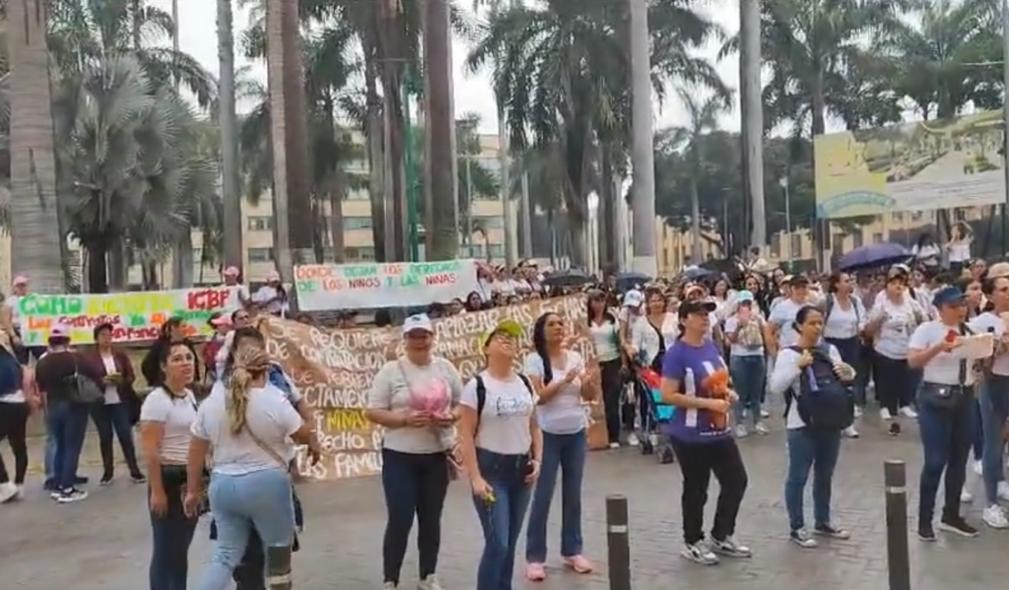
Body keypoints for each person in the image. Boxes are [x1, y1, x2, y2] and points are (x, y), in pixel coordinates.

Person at [186, 346, 319, 590]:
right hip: (267, 483)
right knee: (278, 554)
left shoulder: (213, 402)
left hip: (223, 484)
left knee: (224, 556)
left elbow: (196, 449)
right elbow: (301, 434)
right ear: (266, 371)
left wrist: (193, 491)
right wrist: (312, 426)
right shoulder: (273, 399)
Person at [366, 314, 463, 590]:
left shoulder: (445, 368)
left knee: (431, 517)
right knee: (400, 516)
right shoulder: (391, 371)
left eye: (424, 335)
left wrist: (450, 417)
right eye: (414, 336)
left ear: (433, 337)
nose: (420, 341)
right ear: (404, 339)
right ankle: (390, 578)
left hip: (435, 454)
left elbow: (461, 404)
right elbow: (373, 411)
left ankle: (428, 575)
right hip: (400, 455)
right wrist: (404, 420)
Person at [659, 300, 750, 565]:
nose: (705, 318)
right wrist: (708, 403)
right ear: (684, 320)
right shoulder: (677, 353)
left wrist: (726, 392)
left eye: (707, 314)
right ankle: (692, 540)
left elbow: (719, 380)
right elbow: (668, 394)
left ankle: (721, 534)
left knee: (736, 480)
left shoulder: (711, 346)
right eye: (698, 315)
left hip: (718, 429)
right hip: (690, 433)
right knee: (697, 488)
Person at [457, 319, 542, 590]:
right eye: (499, 337)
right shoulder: (477, 386)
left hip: (521, 468)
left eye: (512, 338)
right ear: (486, 348)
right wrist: (476, 478)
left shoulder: (525, 383)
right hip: (492, 469)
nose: (507, 341)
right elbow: (466, 435)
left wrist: (537, 459)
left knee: (510, 543)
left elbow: (535, 426)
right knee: (498, 542)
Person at [769, 306, 854, 548]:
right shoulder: (789, 354)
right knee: (798, 476)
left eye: (820, 323)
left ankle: (823, 521)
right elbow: (776, 386)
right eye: (812, 323)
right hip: (801, 423)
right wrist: (798, 365)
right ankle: (797, 527)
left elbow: (844, 379)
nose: (817, 327)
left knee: (825, 474)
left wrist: (848, 373)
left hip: (830, 420)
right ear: (799, 326)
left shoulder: (830, 350)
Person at [524, 312, 599, 581]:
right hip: (548, 435)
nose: (558, 327)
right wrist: (565, 380)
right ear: (541, 331)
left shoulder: (575, 358)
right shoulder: (534, 360)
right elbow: (540, 398)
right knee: (543, 496)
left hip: (575, 432)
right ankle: (535, 557)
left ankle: (572, 550)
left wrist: (588, 383)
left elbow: (588, 396)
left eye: (560, 323)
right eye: (551, 324)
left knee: (573, 493)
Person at [907, 286, 980, 540]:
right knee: (935, 461)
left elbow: (978, 362)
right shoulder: (927, 330)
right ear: (940, 309)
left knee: (959, 460)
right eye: (953, 306)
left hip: (965, 395)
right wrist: (939, 347)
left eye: (962, 305)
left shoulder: (970, 330)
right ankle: (924, 520)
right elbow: (913, 361)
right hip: (935, 398)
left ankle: (951, 515)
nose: (960, 310)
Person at [140, 342, 200, 590]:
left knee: (180, 549)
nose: (186, 363)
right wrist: (157, 490)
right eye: (177, 359)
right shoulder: (157, 400)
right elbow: (151, 451)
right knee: (166, 550)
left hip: (190, 480)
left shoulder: (190, 395)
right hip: (168, 479)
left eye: (189, 357)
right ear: (164, 366)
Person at [35, 324, 102, 503]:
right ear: (68, 340)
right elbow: (94, 375)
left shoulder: (42, 362)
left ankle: (58, 483)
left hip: (53, 406)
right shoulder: (75, 358)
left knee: (61, 446)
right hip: (74, 405)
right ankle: (67, 488)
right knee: (73, 447)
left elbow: (41, 388)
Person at [968, 263, 1009, 528]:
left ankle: (1002, 483)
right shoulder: (981, 323)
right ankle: (991, 504)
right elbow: (977, 363)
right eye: (1004, 289)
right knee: (993, 443)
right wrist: (1001, 343)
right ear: (991, 294)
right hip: (994, 385)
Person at [866, 265, 926, 434]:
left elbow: (923, 317)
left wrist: (921, 318)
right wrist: (879, 319)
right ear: (887, 286)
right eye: (894, 284)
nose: (898, 287)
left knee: (905, 379)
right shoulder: (881, 303)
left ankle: (905, 404)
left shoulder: (910, 302)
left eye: (901, 284)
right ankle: (886, 406)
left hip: (905, 347)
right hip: (885, 348)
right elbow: (869, 328)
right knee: (887, 380)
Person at [84, 323, 145, 485]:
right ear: (96, 338)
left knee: (125, 434)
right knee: (105, 437)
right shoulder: (89, 358)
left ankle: (134, 470)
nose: (107, 338)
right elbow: (86, 380)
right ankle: (108, 472)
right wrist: (101, 381)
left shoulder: (119, 355)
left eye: (109, 335)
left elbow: (131, 375)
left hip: (120, 400)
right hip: (100, 403)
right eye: (103, 335)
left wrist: (122, 380)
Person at [822, 272, 867, 438]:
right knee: (833, 384)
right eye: (846, 281)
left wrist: (860, 328)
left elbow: (862, 319)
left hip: (851, 343)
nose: (850, 284)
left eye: (851, 281)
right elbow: (820, 321)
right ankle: (832, 421)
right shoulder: (827, 301)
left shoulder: (855, 301)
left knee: (849, 383)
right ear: (837, 285)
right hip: (832, 344)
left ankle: (848, 423)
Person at [723, 290, 768, 437]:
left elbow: (765, 334)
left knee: (756, 391)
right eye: (743, 303)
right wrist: (739, 326)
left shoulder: (759, 318)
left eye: (748, 303)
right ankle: (740, 423)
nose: (746, 306)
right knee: (740, 392)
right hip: (739, 357)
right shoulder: (731, 320)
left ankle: (757, 421)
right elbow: (730, 341)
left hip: (757, 355)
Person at [0, 328, 35, 503]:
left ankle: (5, 485)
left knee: (18, 446)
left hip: (5, 405)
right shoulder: (12, 361)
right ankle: (19, 485)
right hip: (20, 405)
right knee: (19, 446)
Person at [586, 290, 623, 447]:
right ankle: (597, 436)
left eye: (601, 300)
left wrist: (624, 363)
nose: (599, 304)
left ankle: (614, 436)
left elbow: (620, 341)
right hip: (594, 363)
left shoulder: (612, 320)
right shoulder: (586, 322)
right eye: (595, 301)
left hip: (612, 361)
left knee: (611, 400)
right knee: (595, 400)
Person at [766, 274, 814, 356]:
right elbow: (769, 330)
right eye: (797, 288)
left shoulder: (812, 308)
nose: (801, 290)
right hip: (788, 352)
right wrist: (774, 352)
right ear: (792, 289)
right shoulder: (782, 307)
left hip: (809, 352)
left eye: (804, 287)